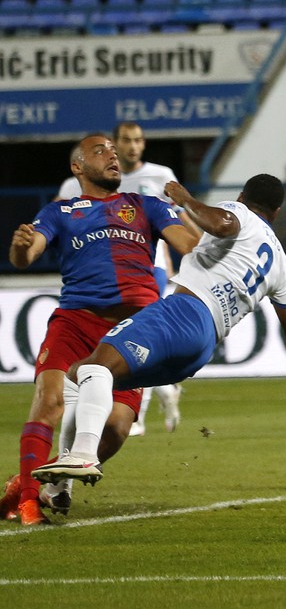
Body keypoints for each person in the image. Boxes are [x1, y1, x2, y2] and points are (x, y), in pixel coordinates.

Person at [33, 174, 286, 486]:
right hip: (201, 349)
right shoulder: (280, 264)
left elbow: (222, 224)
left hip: (183, 313)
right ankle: (58, 486)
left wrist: (184, 197)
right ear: (277, 212)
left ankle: (82, 454)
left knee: (92, 367)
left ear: (242, 197)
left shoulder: (239, 213)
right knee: (85, 375)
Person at [3, 133, 198, 524]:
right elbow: (26, 256)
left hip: (134, 329)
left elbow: (192, 246)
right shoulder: (60, 211)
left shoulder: (146, 206)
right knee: (49, 402)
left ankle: (31, 483)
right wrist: (21, 246)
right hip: (77, 321)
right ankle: (27, 502)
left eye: (113, 150)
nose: (112, 155)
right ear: (78, 166)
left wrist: (188, 208)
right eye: (101, 151)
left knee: (118, 428)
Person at [58, 121, 187, 437]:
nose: (132, 147)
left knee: (133, 338)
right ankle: (165, 390)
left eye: (138, 140)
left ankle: (136, 415)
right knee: (119, 343)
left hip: (149, 270)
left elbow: (174, 221)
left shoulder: (160, 175)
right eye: (126, 141)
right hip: (100, 277)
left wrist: (171, 260)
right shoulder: (86, 180)